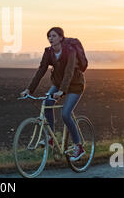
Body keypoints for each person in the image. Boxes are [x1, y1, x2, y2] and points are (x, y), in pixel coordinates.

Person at [20, 27, 86, 161]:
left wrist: (62, 91)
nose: (51, 38)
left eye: (54, 36)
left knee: (66, 114)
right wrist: (29, 90)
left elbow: (69, 72)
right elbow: (41, 70)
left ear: (61, 38)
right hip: (58, 84)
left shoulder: (70, 51)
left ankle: (78, 146)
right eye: (49, 36)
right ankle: (50, 138)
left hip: (75, 85)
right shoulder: (48, 52)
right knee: (47, 102)